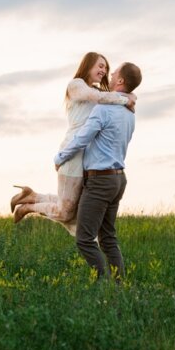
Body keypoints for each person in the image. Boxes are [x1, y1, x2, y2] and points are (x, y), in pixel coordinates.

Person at [12, 52, 135, 235]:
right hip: (72, 151)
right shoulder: (76, 85)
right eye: (100, 66)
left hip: (86, 156)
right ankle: (27, 208)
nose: (104, 70)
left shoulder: (102, 94)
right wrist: (126, 99)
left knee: (73, 208)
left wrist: (130, 96)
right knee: (66, 211)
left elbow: (114, 96)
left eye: (106, 68)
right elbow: (98, 97)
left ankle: (32, 196)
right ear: (88, 64)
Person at [53, 62, 141, 282]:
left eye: (114, 73)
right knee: (108, 238)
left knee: (84, 239)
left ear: (120, 81)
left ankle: (103, 284)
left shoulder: (104, 109)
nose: (110, 75)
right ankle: (119, 286)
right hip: (119, 179)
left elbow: (82, 137)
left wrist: (60, 157)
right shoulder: (129, 112)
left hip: (101, 180)